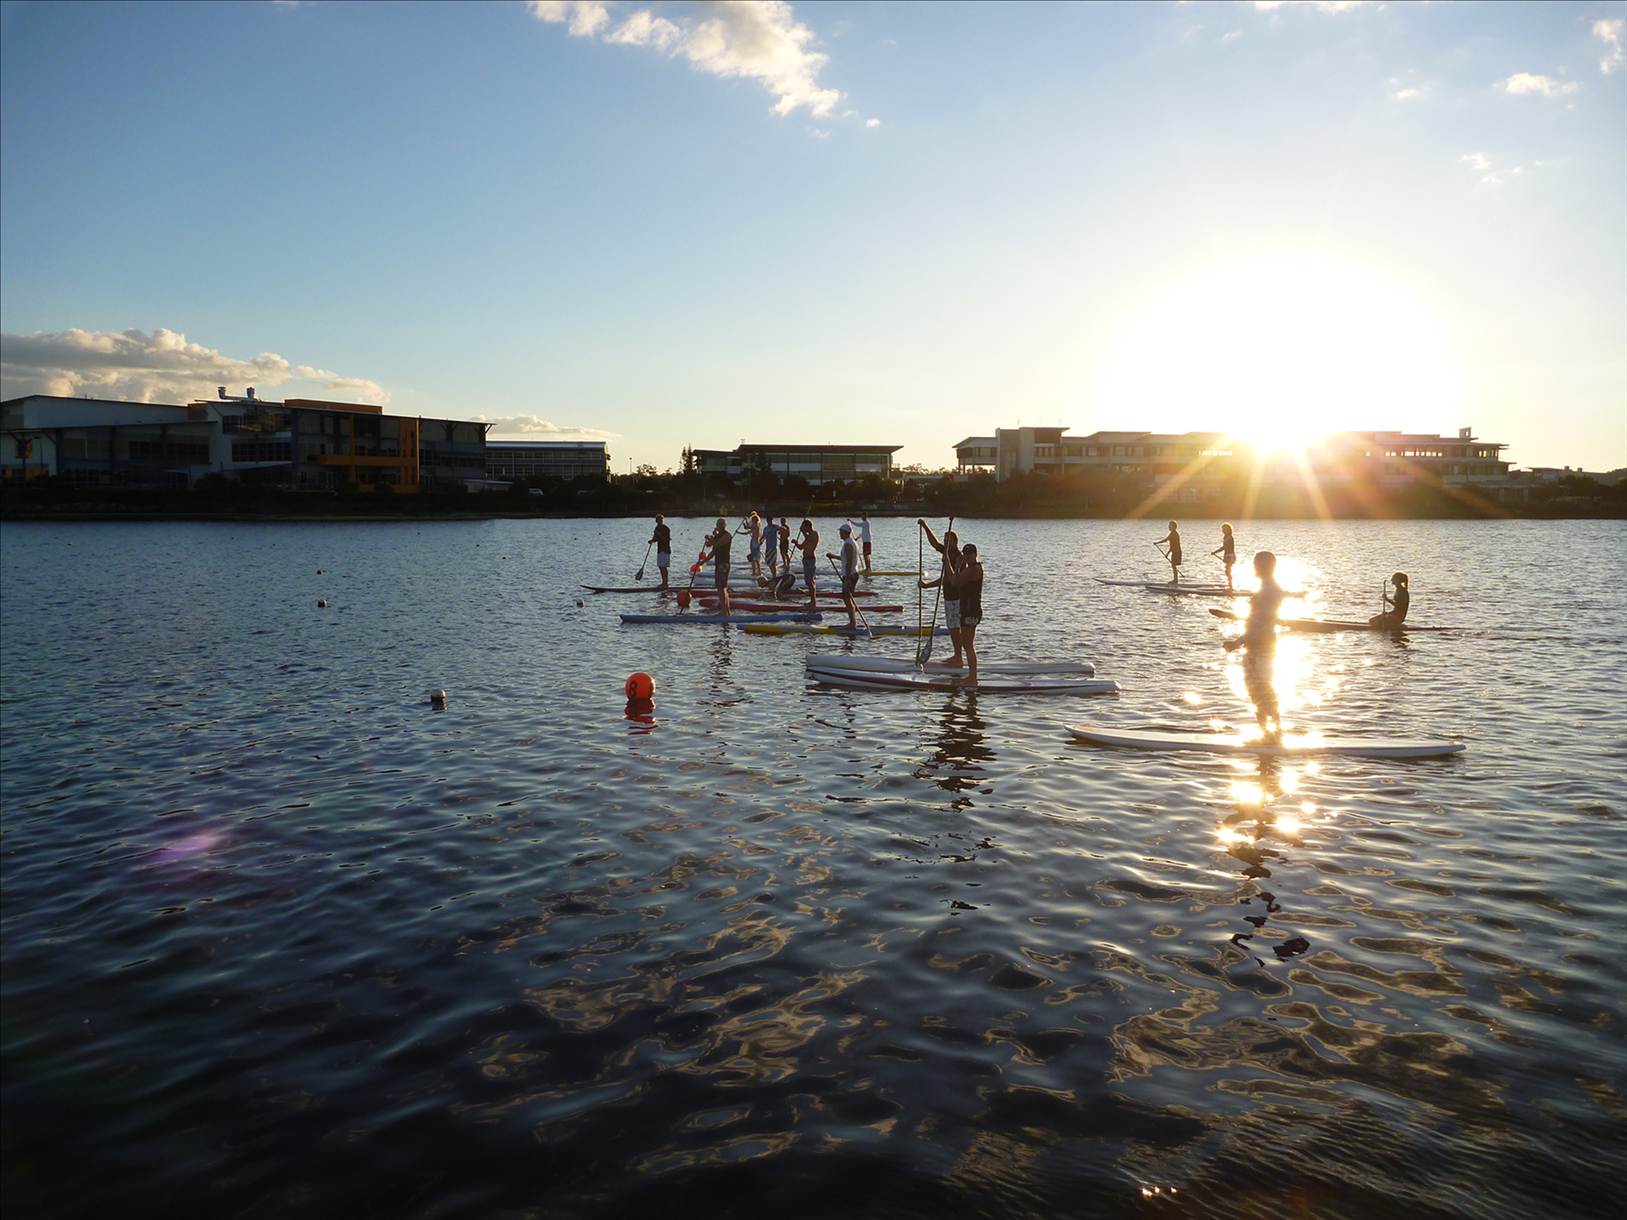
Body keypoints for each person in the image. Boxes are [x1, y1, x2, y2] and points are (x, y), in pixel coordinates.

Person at [1224, 551, 1285, 737]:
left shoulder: (1268, 591)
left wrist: (1237, 642)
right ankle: (1270, 732)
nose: (1253, 567)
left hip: (1260, 648)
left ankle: (1272, 733)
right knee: (1260, 690)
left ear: (1264, 567)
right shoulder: (1269, 589)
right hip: (1259, 647)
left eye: (1255, 564)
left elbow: (1260, 624)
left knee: (1261, 691)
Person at [918, 519, 965, 667]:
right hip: (949, 597)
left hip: (956, 598)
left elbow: (948, 580)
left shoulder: (958, 557)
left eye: (947, 540)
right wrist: (925, 526)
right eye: (944, 540)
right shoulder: (947, 552)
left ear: (955, 542)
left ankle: (958, 658)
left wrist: (927, 585)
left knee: (954, 628)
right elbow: (934, 543)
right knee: (952, 627)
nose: (944, 542)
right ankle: (957, 656)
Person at [949, 542, 984, 685]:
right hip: (968, 609)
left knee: (968, 644)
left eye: (970, 554)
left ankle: (972, 678)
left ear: (975, 554)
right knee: (966, 643)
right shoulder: (970, 569)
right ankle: (972, 675)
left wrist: (954, 566)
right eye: (966, 554)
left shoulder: (973, 569)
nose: (968, 557)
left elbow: (954, 582)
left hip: (971, 610)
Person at [696, 517, 734, 616]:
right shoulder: (717, 536)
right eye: (718, 524)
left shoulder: (727, 535)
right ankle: (726, 611)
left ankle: (725, 611)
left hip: (724, 564)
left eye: (721, 524)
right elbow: (713, 552)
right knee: (720, 588)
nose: (719, 526)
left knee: (722, 588)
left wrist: (711, 539)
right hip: (718, 564)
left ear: (724, 525)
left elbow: (717, 544)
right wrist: (702, 562)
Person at [828, 523, 862, 630]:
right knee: (847, 598)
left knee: (847, 599)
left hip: (850, 575)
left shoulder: (848, 544)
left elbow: (849, 562)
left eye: (840, 532)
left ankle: (852, 623)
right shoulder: (852, 542)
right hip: (853, 574)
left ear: (845, 533)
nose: (839, 534)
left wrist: (847, 578)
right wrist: (833, 556)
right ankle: (852, 622)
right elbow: (845, 558)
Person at [796, 519, 821, 611]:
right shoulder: (807, 536)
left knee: (810, 581)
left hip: (811, 560)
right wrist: (796, 543)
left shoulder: (814, 534)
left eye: (804, 527)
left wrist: (803, 532)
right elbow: (801, 547)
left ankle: (813, 602)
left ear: (808, 526)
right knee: (807, 581)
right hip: (805, 560)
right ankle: (811, 601)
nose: (803, 529)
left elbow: (809, 539)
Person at [1211, 523, 1236, 593]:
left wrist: (1215, 552)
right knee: (1227, 571)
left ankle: (1231, 587)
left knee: (1228, 571)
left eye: (1224, 529)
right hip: (1227, 556)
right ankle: (1230, 586)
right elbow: (1224, 547)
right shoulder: (1225, 537)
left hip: (1230, 556)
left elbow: (1224, 547)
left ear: (1228, 530)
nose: (1223, 531)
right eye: (1222, 529)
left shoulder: (1230, 537)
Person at [650, 514, 672, 589]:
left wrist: (658, 534)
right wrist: (652, 541)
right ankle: (663, 582)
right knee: (660, 566)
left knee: (664, 567)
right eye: (658, 520)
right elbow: (656, 538)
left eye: (661, 520)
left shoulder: (666, 528)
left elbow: (666, 539)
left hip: (665, 550)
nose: (660, 521)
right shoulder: (657, 528)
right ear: (656, 521)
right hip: (660, 550)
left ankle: (665, 583)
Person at [745, 512, 764, 580]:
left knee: (755, 558)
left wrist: (746, 520)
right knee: (754, 558)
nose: (751, 521)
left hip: (755, 543)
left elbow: (747, 527)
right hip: (754, 542)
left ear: (755, 520)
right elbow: (747, 528)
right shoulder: (755, 525)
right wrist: (746, 521)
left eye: (752, 520)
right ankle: (755, 571)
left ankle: (758, 572)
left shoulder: (756, 525)